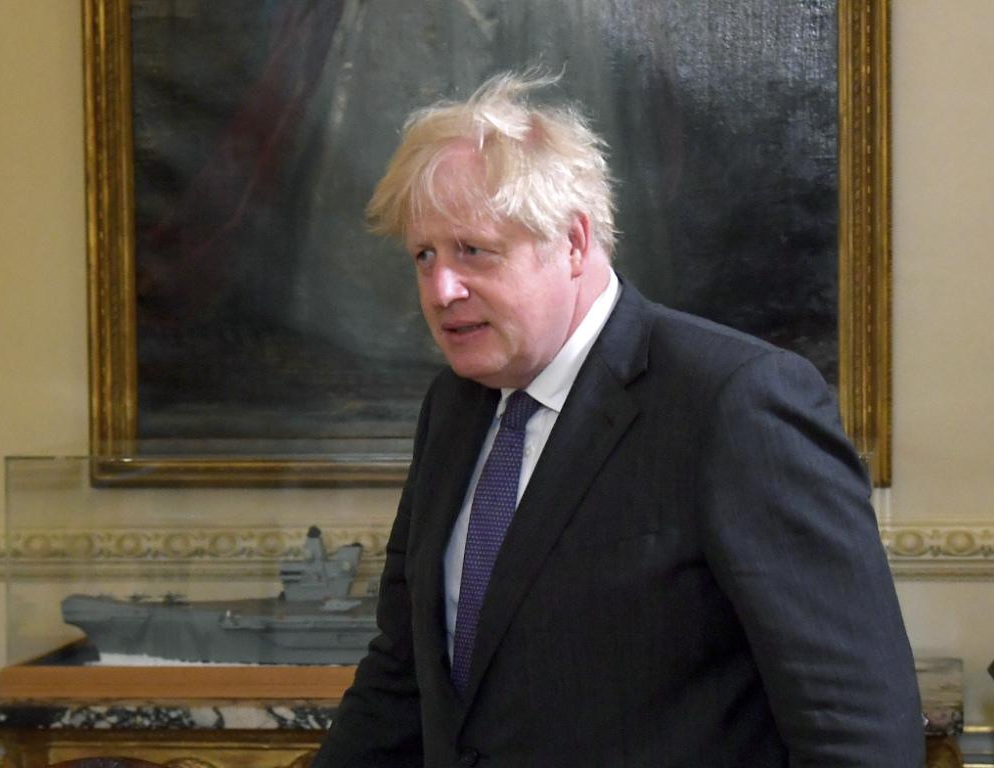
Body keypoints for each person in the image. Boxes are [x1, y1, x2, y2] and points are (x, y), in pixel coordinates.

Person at [313, 72, 923, 767]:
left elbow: (856, 730)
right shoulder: (454, 407)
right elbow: (404, 677)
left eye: (472, 251)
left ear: (573, 241)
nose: (441, 289)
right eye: (424, 256)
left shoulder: (735, 402)